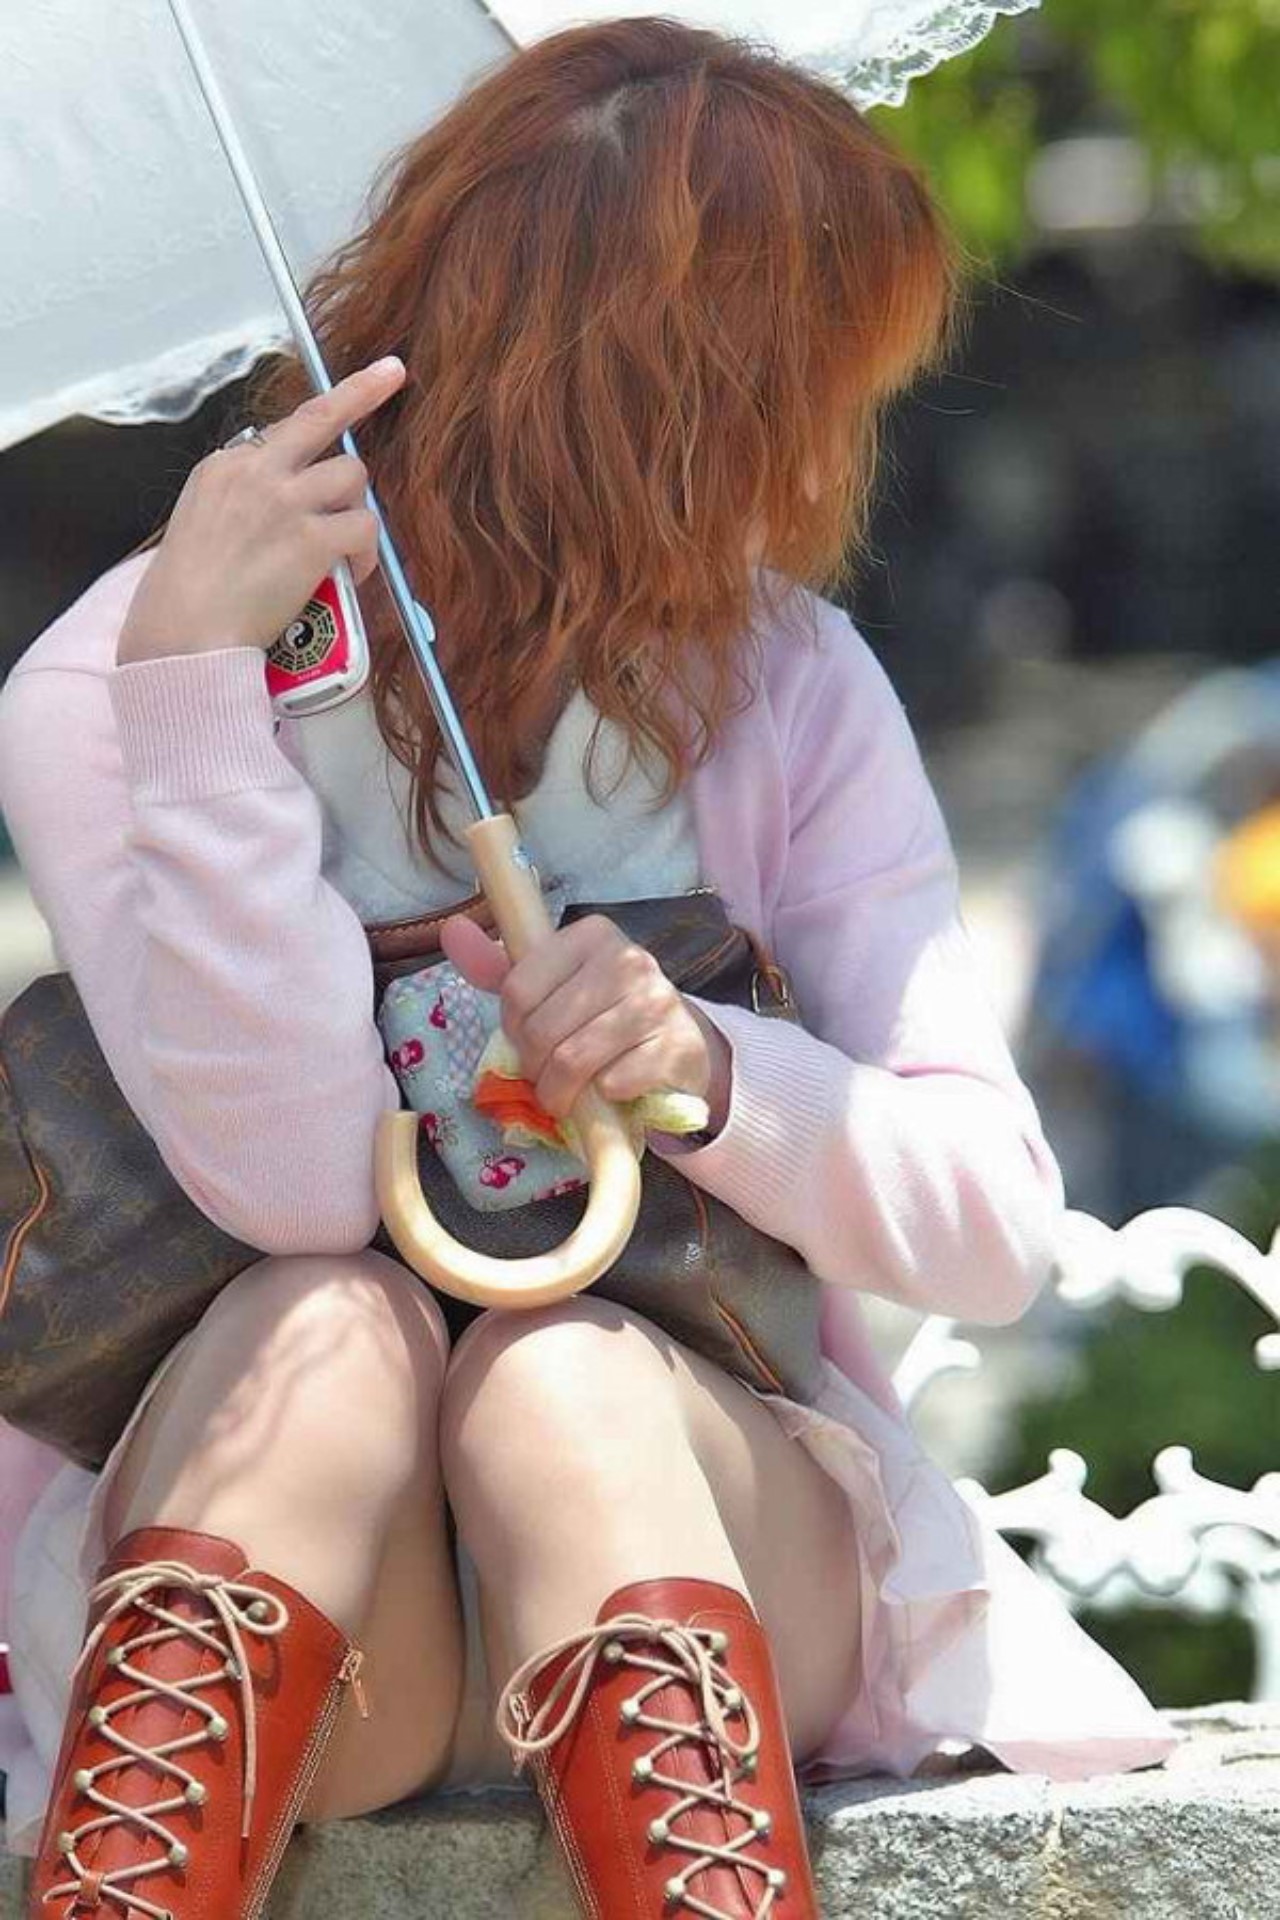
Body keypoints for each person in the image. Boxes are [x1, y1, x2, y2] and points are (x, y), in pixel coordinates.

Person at [0, 18, 1174, 1918]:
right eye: (813, 383)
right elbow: (292, 1184)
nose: (834, 452)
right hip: (312, 1615)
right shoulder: (115, 679)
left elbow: (990, 1229)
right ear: (677, 396)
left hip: (704, 1533)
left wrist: (708, 1068)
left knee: (562, 1383)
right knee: (324, 1323)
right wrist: (202, 712)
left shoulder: (786, 688)